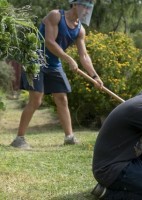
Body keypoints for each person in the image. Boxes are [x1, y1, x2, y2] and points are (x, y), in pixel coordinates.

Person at [10, 0, 103, 149]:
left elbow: (84, 56)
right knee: (36, 100)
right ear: (74, 4)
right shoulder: (55, 16)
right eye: (84, 6)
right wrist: (68, 59)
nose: (86, 10)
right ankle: (19, 139)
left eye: (89, 8)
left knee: (62, 98)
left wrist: (95, 76)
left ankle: (69, 137)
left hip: (54, 64)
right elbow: (49, 42)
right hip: (36, 59)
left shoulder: (80, 30)